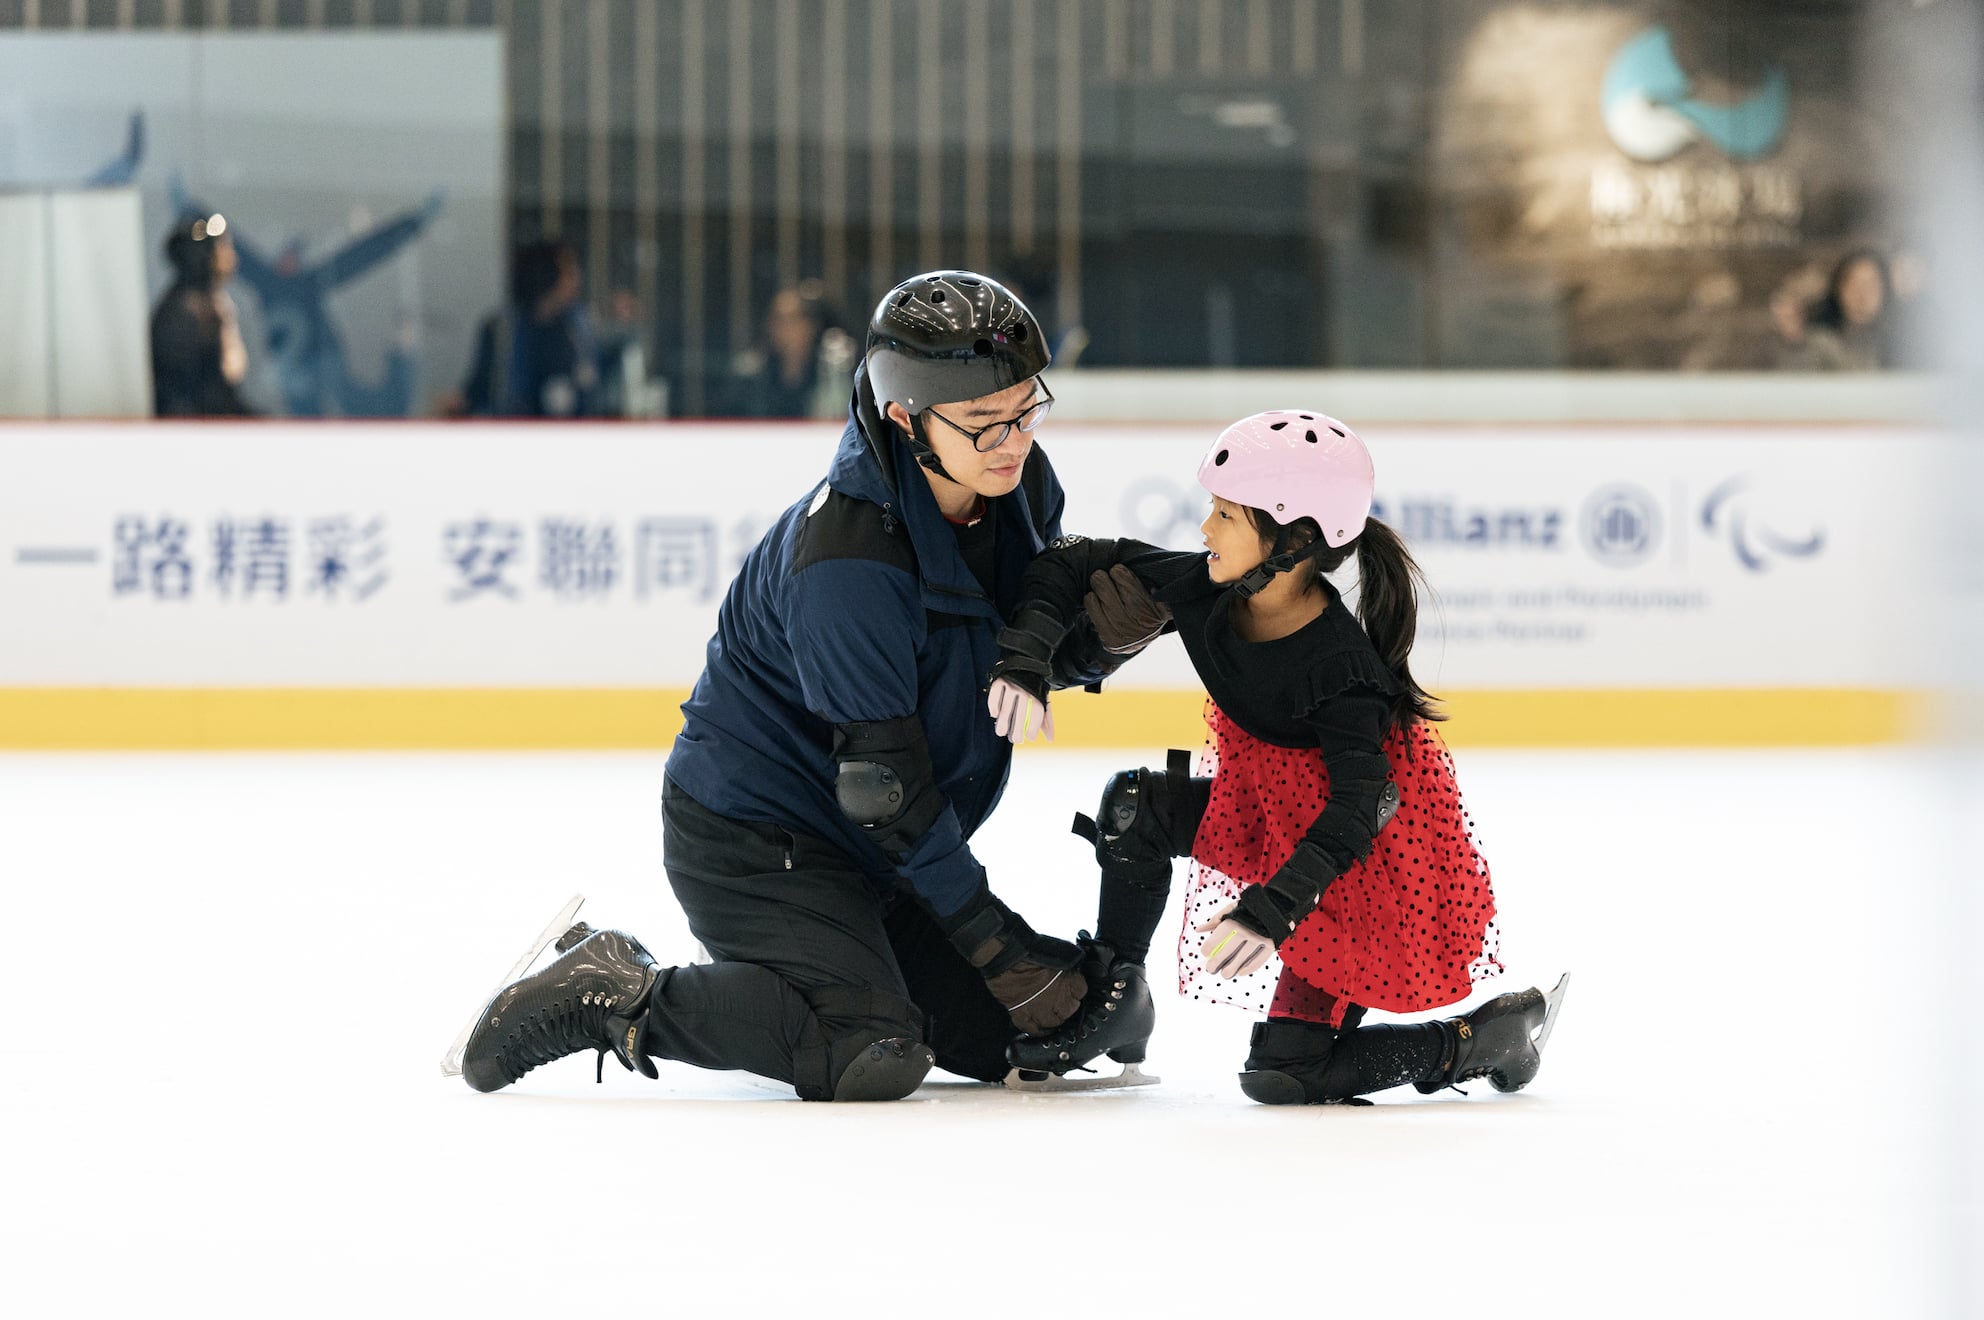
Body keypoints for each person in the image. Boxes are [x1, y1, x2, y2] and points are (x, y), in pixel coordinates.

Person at [458, 270, 1120, 1101]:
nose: (1014, 440)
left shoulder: (1017, 486)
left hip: (874, 850)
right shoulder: (847, 560)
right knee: (867, 1049)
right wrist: (999, 946)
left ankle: (853, 959)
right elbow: (887, 788)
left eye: (1028, 408)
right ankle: (617, 992)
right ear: (903, 419)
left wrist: (1095, 644)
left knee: (1043, 1031)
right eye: (985, 423)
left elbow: (1014, 650)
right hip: (757, 844)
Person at [989, 411, 1561, 1104]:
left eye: (1226, 514)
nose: (1205, 529)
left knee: (1288, 1073)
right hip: (1259, 811)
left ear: (1294, 541)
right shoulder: (1206, 584)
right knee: (1134, 808)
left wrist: (1271, 911)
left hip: (1350, 864)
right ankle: (1113, 1001)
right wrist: (1025, 661)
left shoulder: (1343, 671)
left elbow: (1362, 806)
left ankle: (1479, 1041)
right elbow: (1072, 557)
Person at [454, 239, 601, 418]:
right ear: (547, 274)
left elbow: (593, 386)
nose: (576, 279)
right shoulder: (501, 330)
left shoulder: (579, 329)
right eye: (568, 272)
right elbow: (481, 387)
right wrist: (461, 407)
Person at [149, 212, 255, 418]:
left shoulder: (213, 303)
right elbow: (195, 390)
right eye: (221, 246)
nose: (229, 255)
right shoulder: (182, 314)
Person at [725, 280, 856, 419]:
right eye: (777, 319)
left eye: (792, 319)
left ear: (810, 326)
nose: (784, 328)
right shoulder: (750, 375)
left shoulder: (830, 372)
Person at [1777, 248, 1890, 372]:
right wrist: (1794, 343)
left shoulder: (1901, 342)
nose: (1861, 293)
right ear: (1838, 289)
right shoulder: (1820, 340)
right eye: (1853, 283)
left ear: (1885, 290)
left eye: (1870, 284)